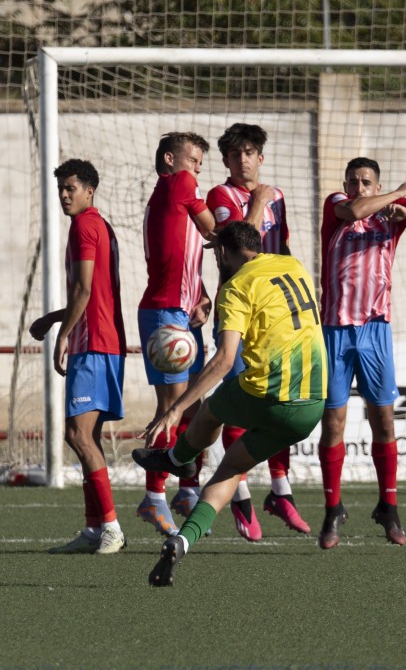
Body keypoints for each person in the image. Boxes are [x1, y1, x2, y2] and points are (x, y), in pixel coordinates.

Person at [132, 221, 326, 586]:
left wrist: (175, 409)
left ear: (223, 252)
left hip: (269, 394)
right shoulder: (292, 265)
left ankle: (177, 459)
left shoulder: (236, 287)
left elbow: (224, 360)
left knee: (209, 412)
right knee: (230, 471)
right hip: (311, 405)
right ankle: (182, 541)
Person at [315, 157, 406, 550]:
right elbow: (353, 209)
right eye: (354, 180)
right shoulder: (337, 205)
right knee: (333, 424)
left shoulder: (389, 217)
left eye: (366, 182)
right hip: (335, 330)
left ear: (376, 184)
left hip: (376, 330)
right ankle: (333, 508)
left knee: (384, 423)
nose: (359, 186)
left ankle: (388, 506)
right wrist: (398, 193)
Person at [205, 122, 309, 540]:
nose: (243, 160)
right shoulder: (220, 196)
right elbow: (240, 246)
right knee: (238, 401)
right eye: (235, 154)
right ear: (226, 161)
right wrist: (258, 201)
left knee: (277, 400)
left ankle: (280, 491)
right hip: (238, 309)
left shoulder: (276, 197)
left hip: (275, 314)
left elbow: (279, 251)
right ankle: (243, 496)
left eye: (249, 152)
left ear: (261, 158)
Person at [29, 159, 127, 554]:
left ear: (90, 190)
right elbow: (88, 291)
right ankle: (93, 529)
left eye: (71, 188)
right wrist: (55, 319)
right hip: (102, 342)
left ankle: (111, 528)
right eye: (61, 189)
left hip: (95, 343)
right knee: (88, 437)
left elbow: (84, 291)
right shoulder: (96, 224)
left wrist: (62, 335)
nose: (65, 195)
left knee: (76, 434)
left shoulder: (86, 225)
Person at [135, 132, 217, 537]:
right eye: (193, 159)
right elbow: (215, 232)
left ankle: (187, 487)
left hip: (180, 312)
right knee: (172, 406)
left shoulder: (167, 195)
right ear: (170, 159)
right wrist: (252, 214)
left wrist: (200, 295)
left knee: (194, 404)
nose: (198, 169)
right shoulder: (179, 183)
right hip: (164, 314)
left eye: (201, 163)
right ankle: (153, 497)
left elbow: (181, 254)